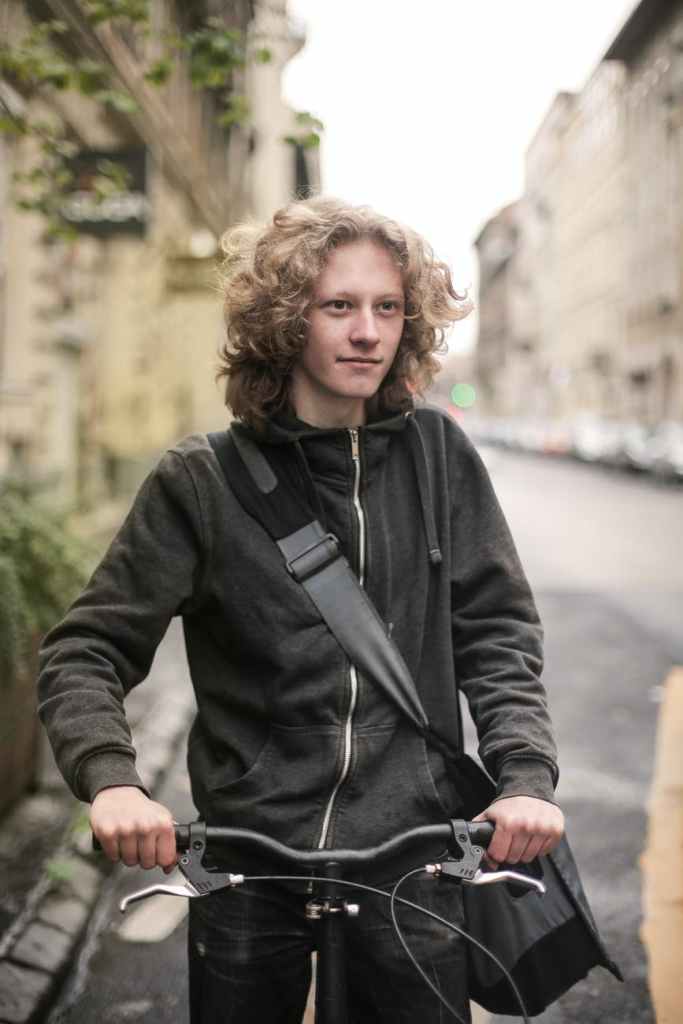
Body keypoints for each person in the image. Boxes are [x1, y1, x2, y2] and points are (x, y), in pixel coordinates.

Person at [38, 196, 564, 1023]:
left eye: (386, 307)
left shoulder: (439, 458)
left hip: (414, 856)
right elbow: (86, 649)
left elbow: (496, 634)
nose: (367, 332)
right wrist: (112, 783)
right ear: (285, 321)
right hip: (253, 860)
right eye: (338, 306)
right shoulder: (200, 482)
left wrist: (524, 778)